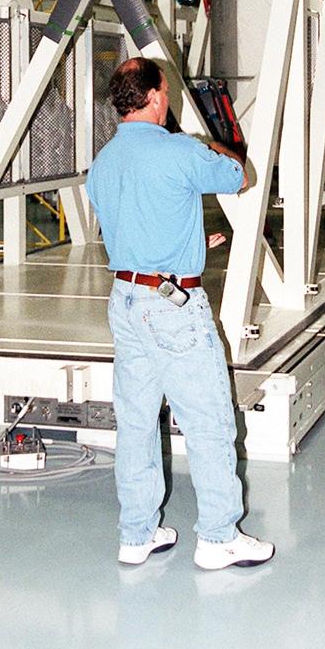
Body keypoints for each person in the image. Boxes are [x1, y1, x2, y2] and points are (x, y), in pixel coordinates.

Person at [86, 56, 275, 570]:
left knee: (137, 423)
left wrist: (188, 243)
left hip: (125, 300)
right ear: (153, 97)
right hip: (172, 309)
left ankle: (137, 533)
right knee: (210, 421)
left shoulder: (102, 162)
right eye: (165, 92)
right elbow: (238, 174)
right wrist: (204, 138)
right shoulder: (178, 150)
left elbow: (133, 223)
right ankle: (218, 537)